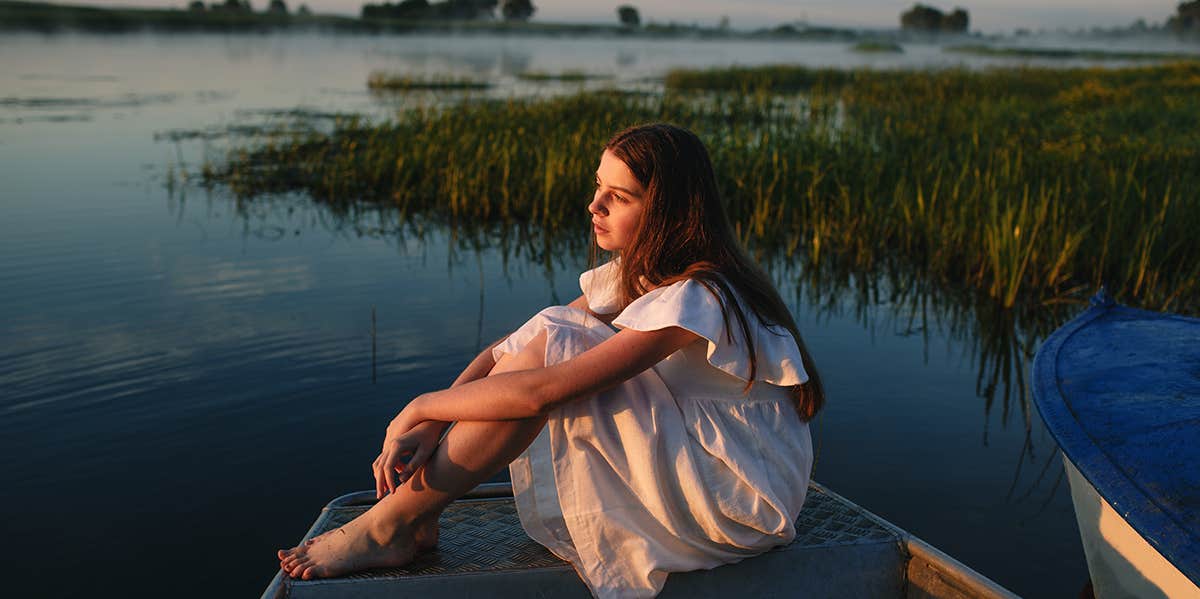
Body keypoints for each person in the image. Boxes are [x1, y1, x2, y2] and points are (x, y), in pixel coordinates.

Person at [278, 123, 825, 598]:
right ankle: (418, 516)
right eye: (597, 187)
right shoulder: (640, 274)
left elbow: (541, 388)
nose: (594, 206)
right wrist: (433, 422)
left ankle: (388, 528)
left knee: (556, 345)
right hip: (708, 463)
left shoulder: (699, 295)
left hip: (740, 501)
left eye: (620, 196)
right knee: (548, 332)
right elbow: (508, 349)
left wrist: (418, 405)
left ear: (668, 212)